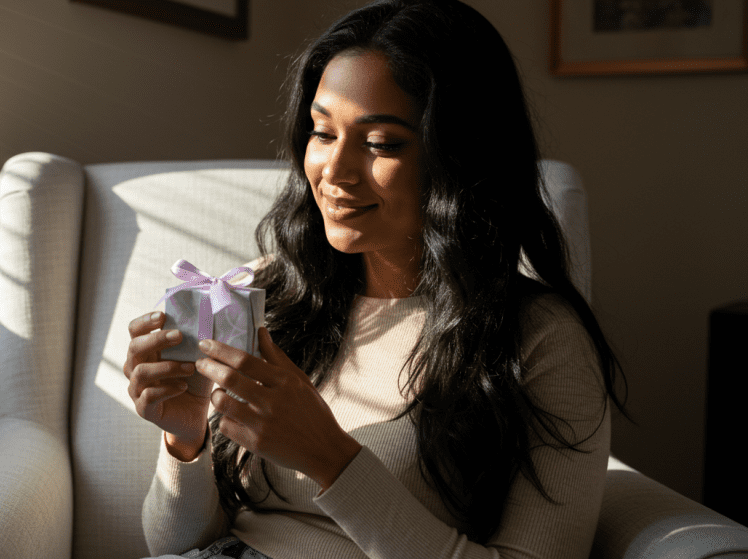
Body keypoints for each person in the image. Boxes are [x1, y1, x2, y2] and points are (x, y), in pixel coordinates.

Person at [124, 1, 629, 558]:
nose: (334, 174)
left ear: (461, 154)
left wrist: (329, 458)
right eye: (322, 132)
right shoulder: (271, 294)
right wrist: (185, 439)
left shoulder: (540, 338)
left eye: (381, 142)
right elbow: (171, 546)